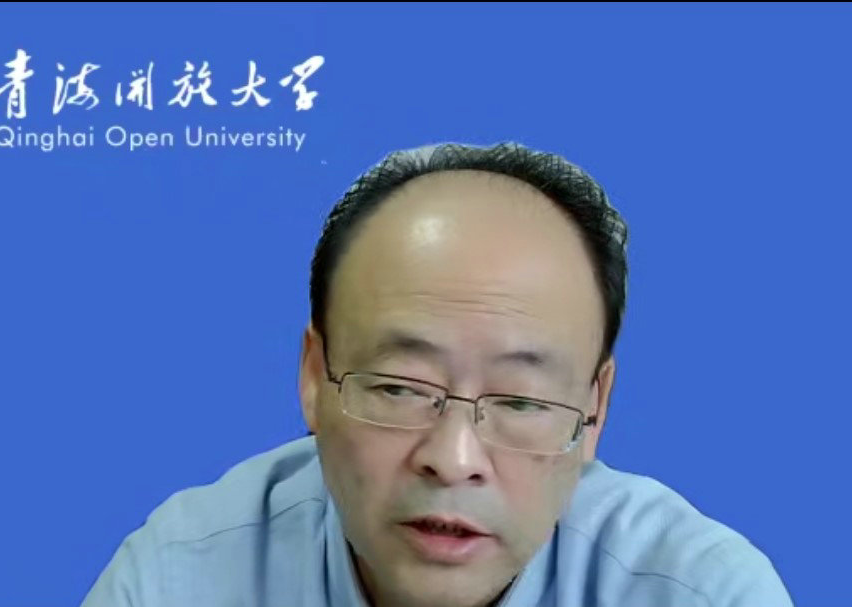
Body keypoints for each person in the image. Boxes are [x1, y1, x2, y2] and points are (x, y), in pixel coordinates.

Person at [79, 142, 793, 607]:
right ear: (314, 376)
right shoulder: (182, 578)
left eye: (519, 400)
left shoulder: (696, 590)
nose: (452, 460)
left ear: (593, 408)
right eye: (400, 388)